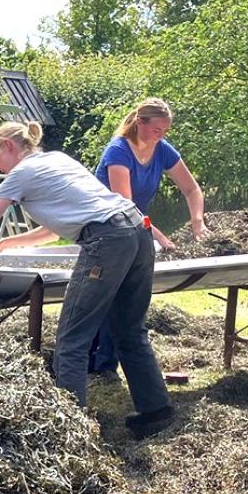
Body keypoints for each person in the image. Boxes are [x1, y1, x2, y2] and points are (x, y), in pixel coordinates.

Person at [0, 121, 173, 436]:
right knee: (129, 329)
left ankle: (71, 431)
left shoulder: (19, 175)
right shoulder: (57, 160)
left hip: (107, 238)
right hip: (138, 229)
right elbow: (53, 231)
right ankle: (157, 411)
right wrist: (6, 243)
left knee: (71, 339)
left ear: (9, 147)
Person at [88, 98, 209, 381]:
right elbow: (125, 205)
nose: (162, 136)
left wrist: (197, 221)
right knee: (110, 293)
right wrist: (158, 235)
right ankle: (100, 364)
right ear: (140, 123)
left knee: (127, 295)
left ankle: (104, 363)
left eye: (165, 131)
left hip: (135, 228)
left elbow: (191, 189)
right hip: (105, 229)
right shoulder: (118, 151)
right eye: (157, 130)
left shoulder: (162, 150)